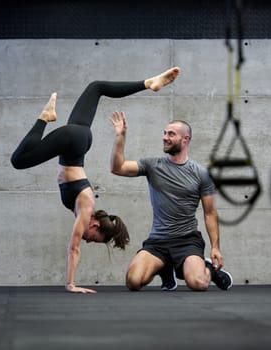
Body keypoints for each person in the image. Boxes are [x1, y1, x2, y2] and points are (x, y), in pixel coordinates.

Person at [10, 67, 181, 293]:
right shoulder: (86, 208)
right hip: (72, 140)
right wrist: (70, 284)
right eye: (94, 238)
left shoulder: (86, 204)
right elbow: (74, 248)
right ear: (95, 225)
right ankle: (45, 117)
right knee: (18, 161)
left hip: (80, 138)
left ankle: (150, 83)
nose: (88, 240)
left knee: (96, 87)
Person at [109, 107, 233, 291]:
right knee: (133, 281)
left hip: (187, 241)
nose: (165, 137)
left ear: (185, 139)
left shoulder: (201, 174)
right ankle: (165, 268)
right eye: (165, 133)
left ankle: (207, 268)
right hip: (158, 241)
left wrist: (215, 247)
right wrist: (120, 137)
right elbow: (117, 168)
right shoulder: (152, 165)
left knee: (198, 283)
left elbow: (210, 213)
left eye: (171, 134)